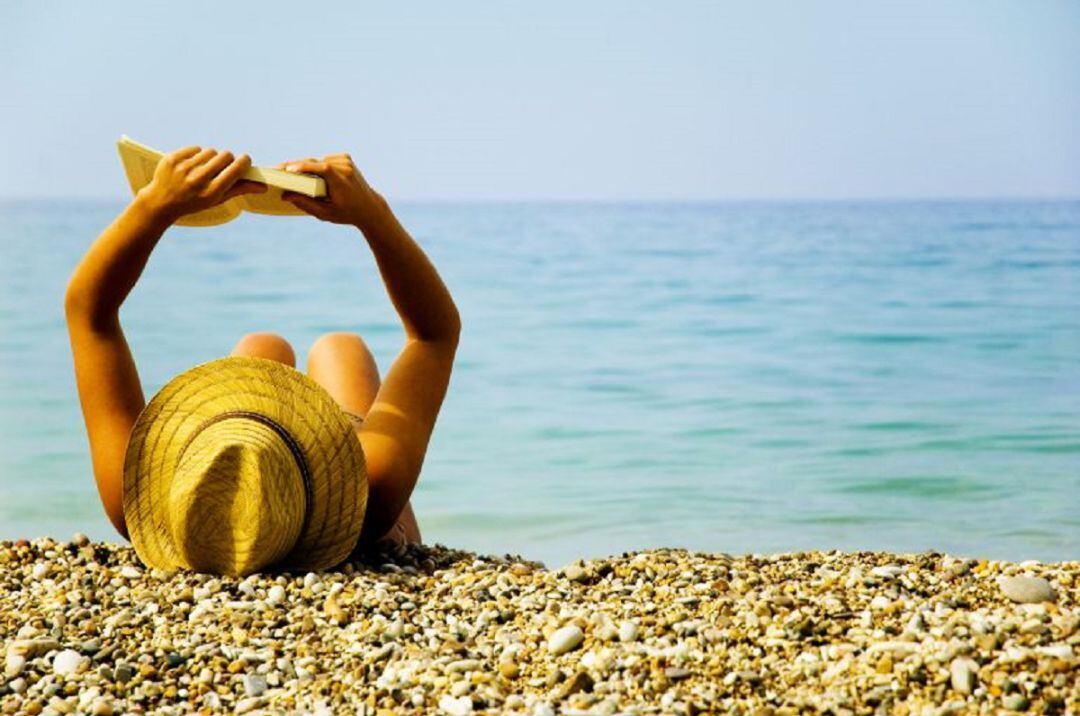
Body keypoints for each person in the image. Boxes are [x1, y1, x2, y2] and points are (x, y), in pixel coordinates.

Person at [64, 146, 460, 561]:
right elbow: (434, 335)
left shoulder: (138, 501)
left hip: (276, 505)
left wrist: (154, 204)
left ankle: (254, 411)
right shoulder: (369, 494)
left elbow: (89, 313)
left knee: (262, 346)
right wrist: (373, 215)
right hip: (365, 527)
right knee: (341, 348)